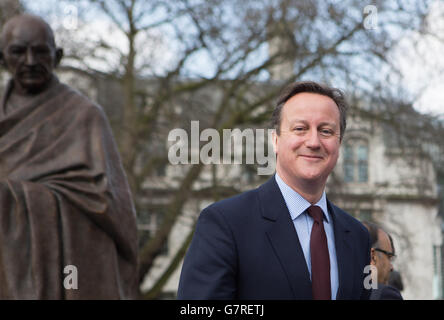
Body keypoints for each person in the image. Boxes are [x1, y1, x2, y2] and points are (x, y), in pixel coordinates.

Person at [177, 81, 371, 299]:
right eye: (300, 129)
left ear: (339, 144)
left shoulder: (357, 236)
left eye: (326, 131)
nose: (314, 141)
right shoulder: (225, 223)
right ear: (275, 140)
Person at [0, 14, 138, 299]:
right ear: (2, 57)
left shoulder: (84, 115)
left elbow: (110, 203)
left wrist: (14, 195)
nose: (29, 61)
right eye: (18, 51)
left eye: (40, 51)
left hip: (69, 271)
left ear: (57, 55)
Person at [362, 221, 403, 300]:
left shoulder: (335, 290)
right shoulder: (386, 295)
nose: (391, 267)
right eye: (389, 257)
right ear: (372, 256)